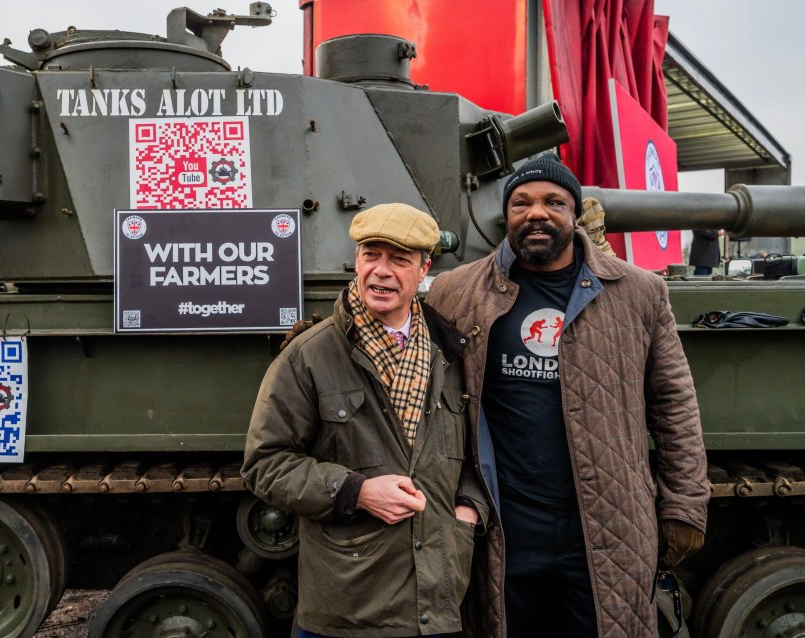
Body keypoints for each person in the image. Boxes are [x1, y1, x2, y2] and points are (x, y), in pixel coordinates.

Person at [426, 154, 710, 638]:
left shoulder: (638, 291)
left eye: (553, 201)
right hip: (504, 523)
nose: (537, 213)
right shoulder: (456, 291)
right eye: (522, 202)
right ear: (506, 214)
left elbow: (674, 403)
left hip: (605, 520)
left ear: (575, 213)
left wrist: (683, 505)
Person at [243, 203, 487, 637]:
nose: (382, 271)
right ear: (356, 260)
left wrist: (467, 511)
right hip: (346, 607)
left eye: (399, 259)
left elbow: (472, 455)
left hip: (434, 601)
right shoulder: (311, 355)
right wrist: (356, 491)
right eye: (371, 255)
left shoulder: (448, 352)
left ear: (424, 267)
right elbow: (266, 464)